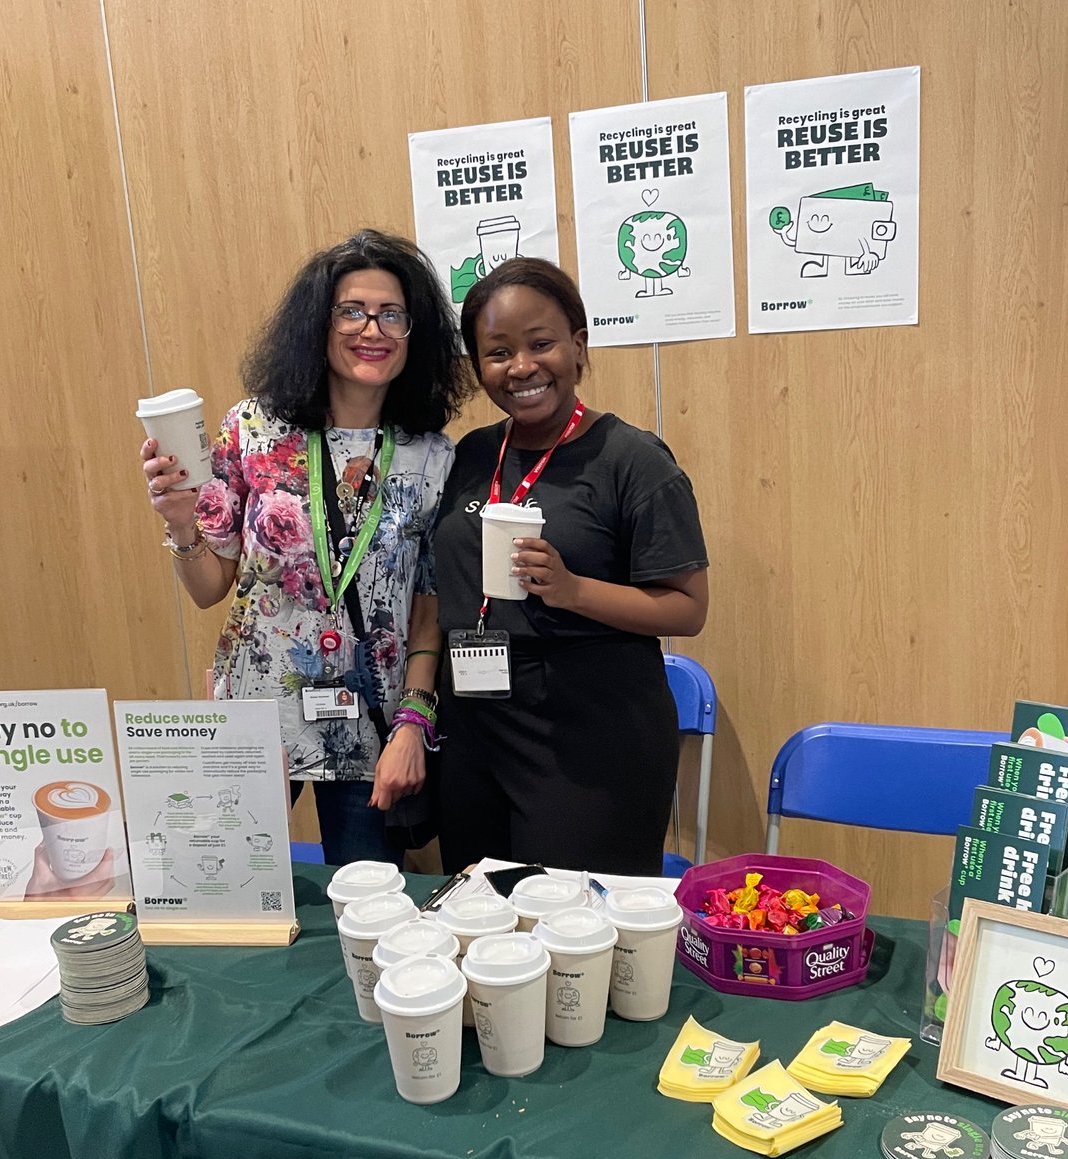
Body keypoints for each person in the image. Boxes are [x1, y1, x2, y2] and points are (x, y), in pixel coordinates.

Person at [141, 229, 471, 866]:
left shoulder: (432, 456)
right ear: (316, 325)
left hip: (372, 715)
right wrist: (182, 521)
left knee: (366, 907)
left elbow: (427, 608)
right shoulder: (253, 430)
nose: (370, 329)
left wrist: (414, 721)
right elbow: (212, 588)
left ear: (414, 333)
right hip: (258, 710)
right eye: (350, 310)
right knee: (228, 881)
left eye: (391, 314)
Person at [434, 258, 709, 876]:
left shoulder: (633, 460)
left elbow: (687, 610)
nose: (522, 367)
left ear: (578, 347)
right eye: (498, 352)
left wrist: (573, 589)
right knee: (480, 919)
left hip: (591, 734)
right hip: (476, 728)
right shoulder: (473, 454)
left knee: (575, 932)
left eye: (542, 344)